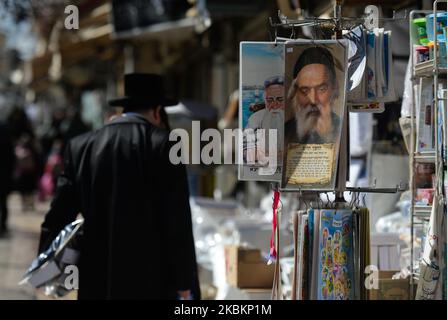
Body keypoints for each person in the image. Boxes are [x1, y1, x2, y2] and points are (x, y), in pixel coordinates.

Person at [38, 73, 200, 300]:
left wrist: (45, 270)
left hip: (97, 276)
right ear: (156, 111)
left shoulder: (80, 147)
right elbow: (176, 221)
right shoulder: (166, 145)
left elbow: (58, 214)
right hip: (150, 278)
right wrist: (184, 281)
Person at [285, 46, 341, 145]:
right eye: (304, 90)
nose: (313, 100)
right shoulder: (285, 132)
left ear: (334, 87)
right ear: (295, 92)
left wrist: (328, 135)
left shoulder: (343, 127)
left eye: (321, 89)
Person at [243, 75, 285, 165]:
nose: (274, 105)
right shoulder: (256, 118)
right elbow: (247, 153)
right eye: (270, 100)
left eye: (280, 100)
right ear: (265, 101)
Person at [0, 121, 15, 236]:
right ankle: (3, 225)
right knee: (3, 200)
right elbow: (11, 156)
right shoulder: (5, 130)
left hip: (4, 172)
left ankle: (3, 225)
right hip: (4, 173)